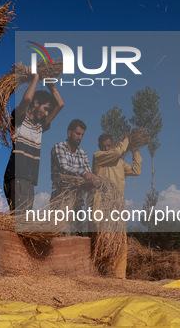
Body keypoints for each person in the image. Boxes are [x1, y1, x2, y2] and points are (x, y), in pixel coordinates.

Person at [3, 72, 63, 212]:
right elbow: (27, 99)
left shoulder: (40, 126)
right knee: (19, 219)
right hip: (17, 176)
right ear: (36, 104)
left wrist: (47, 80)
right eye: (45, 109)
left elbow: (60, 104)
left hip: (29, 179)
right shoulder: (19, 119)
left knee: (24, 220)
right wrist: (36, 77)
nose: (47, 113)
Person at [92, 133, 142, 278]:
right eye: (104, 146)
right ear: (100, 148)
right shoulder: (98, 157)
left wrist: (134, 150)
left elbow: (136, 170)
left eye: (109, 146)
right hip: (102, 206)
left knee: (120, 241)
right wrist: (127, 139)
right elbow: (118, 152)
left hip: (118, 207)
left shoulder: (120, 163)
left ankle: (120, 276)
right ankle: (104, 273)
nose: (107, 149)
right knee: (106, 239)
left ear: (113, 145)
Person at [50, 119, 94, 233]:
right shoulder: (58, 147)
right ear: (69, 133)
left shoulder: (83, 154)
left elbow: (89, 175)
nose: (80, 137)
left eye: (82, 135)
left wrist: (89, 180)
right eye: (77, 133)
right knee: (60, 235)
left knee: (77, 236)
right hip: (60, 199)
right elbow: (64, 167)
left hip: (78, 202)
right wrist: (84, 174)